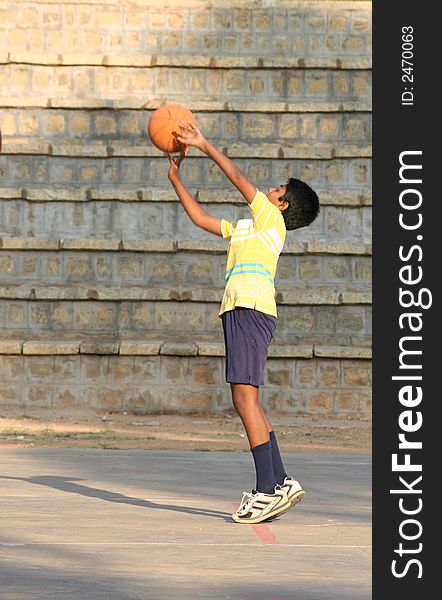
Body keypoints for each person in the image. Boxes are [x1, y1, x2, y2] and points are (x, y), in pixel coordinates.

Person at [168, 119, 320, 524]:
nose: (269, 191)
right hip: (244, 310)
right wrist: (174, 177)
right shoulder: (250, 228)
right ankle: (281, 481)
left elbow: (236, 176)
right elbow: (201, 219)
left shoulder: (270, 220)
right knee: (249, 399)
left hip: (250, 310)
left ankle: (267, 490)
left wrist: (202, 143)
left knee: (243, 398)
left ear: (282, 205)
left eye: (277, 190)